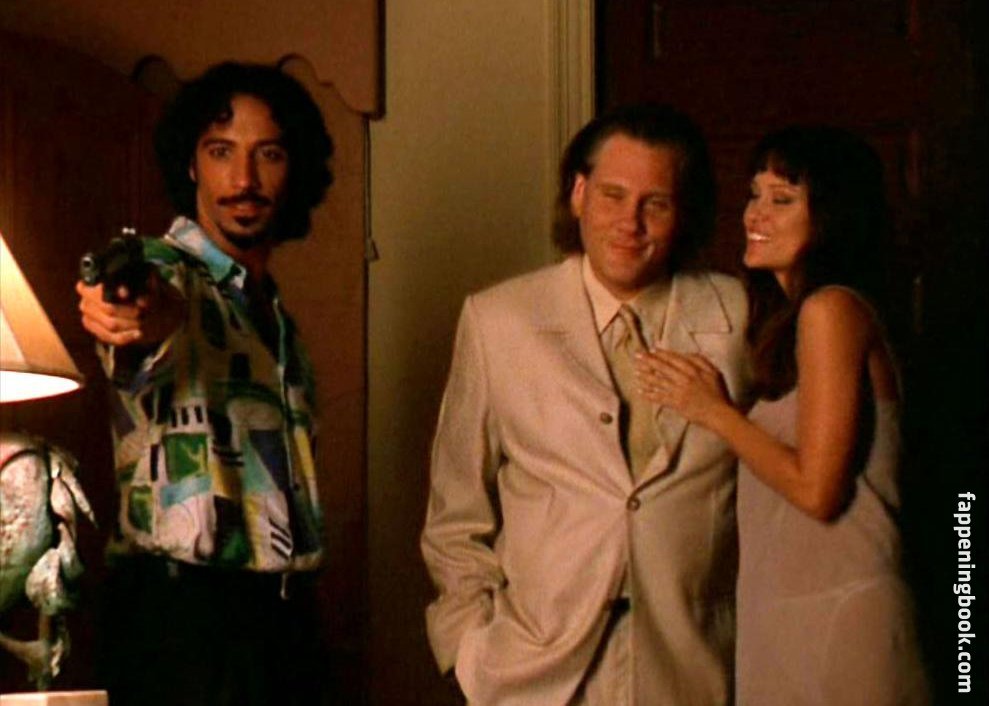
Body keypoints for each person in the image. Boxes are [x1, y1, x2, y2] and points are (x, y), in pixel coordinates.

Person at [421, 104, 751, 705]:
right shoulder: (499, 321)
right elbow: (455, 513)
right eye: (612, 196)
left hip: (694, 669)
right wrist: (468, 649)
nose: (630, 223)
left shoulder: (738, 316)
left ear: (683, 213)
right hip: (533, 673)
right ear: (578, 195)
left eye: (655, 204)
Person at [635, 126, 930, 705]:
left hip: (843, 619)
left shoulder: (831, 310)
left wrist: (715, 412)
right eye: (754, 194)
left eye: (782, 198)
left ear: (832, 216)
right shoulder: (788, 323)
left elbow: (818, 490)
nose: (755, 213)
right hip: (787, 622)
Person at [75, 62, 333, 706]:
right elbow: (150, 313)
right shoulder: (167, 273)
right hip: (182, 623)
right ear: (191, 165)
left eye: (267, 154)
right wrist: (132, 311)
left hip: (282, 619)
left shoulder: (274, 313)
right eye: (221, 152)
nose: (243, 180)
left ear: (293, 167)